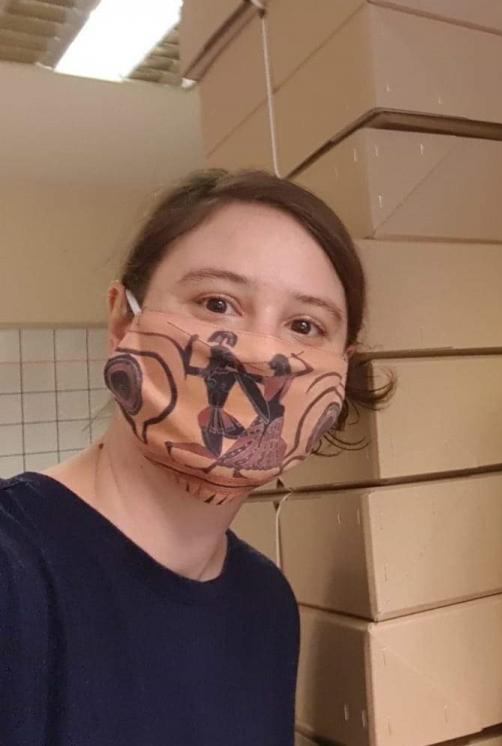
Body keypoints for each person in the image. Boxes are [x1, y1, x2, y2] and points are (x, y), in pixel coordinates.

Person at [0, 170, 388, 744]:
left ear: (340, 371)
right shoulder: (15, 574)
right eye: (218, 303)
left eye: (305, 325)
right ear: (122, 321)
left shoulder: (267, 605)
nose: (260, 355)